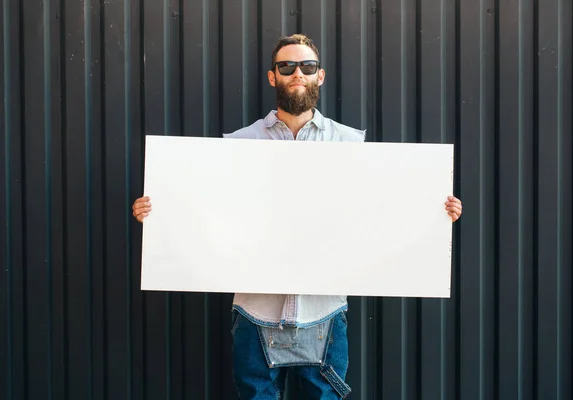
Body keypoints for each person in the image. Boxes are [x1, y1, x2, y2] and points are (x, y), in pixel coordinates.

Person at [132, 34, 463, 399]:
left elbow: (379, 214)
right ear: (273, 76)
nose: (297, 74)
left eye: (306, 67)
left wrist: (435, 212)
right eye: (287, 67)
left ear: (319, 76)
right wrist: (158, 212)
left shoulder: (350, 144)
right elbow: (204, 212)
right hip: (256, 310)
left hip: (324, 310)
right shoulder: (238, 145)